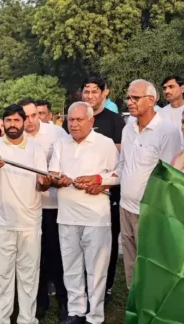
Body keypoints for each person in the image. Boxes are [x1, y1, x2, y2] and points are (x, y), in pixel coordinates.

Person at [49, 102, 118, 324]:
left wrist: (100, 181)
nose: (75, 124)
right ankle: (76, 310)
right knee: (71, 266)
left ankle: (95, 315)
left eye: (79, 120)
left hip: (96, 216)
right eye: (71, 120)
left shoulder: (105, 144)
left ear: (91, 121)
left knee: (96, 269)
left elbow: (118, 175)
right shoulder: (61, 143)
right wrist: (59, 179)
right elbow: (53, 173)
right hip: (67, 215)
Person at [0, 104, 51, 324]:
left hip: (30, 223)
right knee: (1, 276)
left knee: (28, 276)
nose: (12, 125)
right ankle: (1, 319)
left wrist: (45, 182)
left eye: (16, 120)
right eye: (8, 120)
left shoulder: (36, 148)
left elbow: (42, 185)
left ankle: (27, 319)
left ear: (24, 122)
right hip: (3, 222)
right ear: (3, 123)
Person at [65, 76, 126, 303]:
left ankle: (104, 289)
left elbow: (118, 163)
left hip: (104, 194)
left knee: (102, 247)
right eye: (86, 91)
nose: (89, 96)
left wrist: (101, 182)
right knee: (74, 251)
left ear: (104, 93)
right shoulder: (70, 123)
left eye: (94, 92)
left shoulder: (114, 121)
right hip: (72, 202)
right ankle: (78, 299)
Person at [119, 79, 181, 287]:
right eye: (128, 97)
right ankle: (134, 309)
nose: (130, 102)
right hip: (125, 207)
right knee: (131, 264)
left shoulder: (167, 131)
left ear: (151, 100)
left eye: (135, 98)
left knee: (151, 266)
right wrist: (101, 180)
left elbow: (167, 177)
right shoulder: (128, 128)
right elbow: (123, 165)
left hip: (149, 211)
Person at [19, 99, 69, 320]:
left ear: (39, 115)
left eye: (33, 116)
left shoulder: (57, 133)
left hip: (54, 205)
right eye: (25, 117)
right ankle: (40, 301)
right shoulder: (16, 138)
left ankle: (64, 301)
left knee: (56, 256)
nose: (29, 121)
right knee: (33, 258)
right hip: (28, 207)